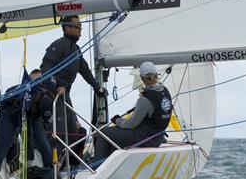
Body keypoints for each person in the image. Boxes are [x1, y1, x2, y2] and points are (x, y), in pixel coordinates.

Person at [40, 15, 106, 145]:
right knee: (59, 131)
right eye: (77, 27)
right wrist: (58, 85)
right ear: (66, 28)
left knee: (74, 130)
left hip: (65, 95)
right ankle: (53, 162)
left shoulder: (76, 50)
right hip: (53, 95)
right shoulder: (58, 45)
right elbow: (45, 69)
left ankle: (68, 161)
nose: (80, 30)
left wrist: (98, 88)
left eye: (81, 27)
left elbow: (85, 71)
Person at [93, 61, 172, 162]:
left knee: (104, 133)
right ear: (156, 75)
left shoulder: (145, 99)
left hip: (145, 138)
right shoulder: (165, 91)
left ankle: (96, 167)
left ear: (142, 77)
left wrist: (117, 120)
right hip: (158, 138)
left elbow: (131, 124)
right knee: (115, 135)